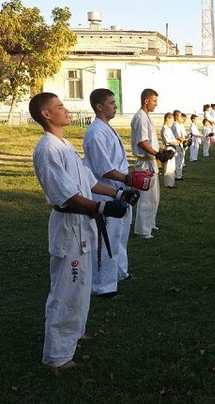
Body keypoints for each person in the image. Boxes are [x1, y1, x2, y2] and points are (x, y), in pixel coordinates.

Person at [30, 92, 134, 368]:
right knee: (66, 288)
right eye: (60, 107)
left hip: (83, 226)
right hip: (69, 227)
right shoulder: (48, 150)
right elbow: (66, 196)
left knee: (82, 284)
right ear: (46, 114)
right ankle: (58, 354)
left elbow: (88, 181)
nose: (66, 110)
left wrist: (118, 194)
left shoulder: (64, 145)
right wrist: (102, 208)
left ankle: (74, 332)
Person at [83, 89, 137, 299]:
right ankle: (102, 286)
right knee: (106, 240)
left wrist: (126, 182)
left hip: (118, 190)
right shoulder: (96, 133)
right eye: (112, 103)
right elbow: (103, 168)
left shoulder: (106, 128)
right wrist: (127, 179)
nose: (115, 106)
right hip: (104, 192)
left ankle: (120, 272)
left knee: (120, 236)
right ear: (99, 106)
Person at [131, 88, 168, 239]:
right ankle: (142, 230)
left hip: (151, 162)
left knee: (154, 197)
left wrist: (161, 151)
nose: (156, 104)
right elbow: (142, 142)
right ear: (146, 101)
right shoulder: (140, 117)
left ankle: (150, 223)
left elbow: (150, 141)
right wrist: (156, 154)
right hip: (144, 163)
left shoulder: (146, 116)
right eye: (154, 101)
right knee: (146, 198)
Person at [161, 112, 180, 188]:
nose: (172, 122)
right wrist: (177, 142)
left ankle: (171, 183)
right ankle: (168, 184)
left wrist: (177, 141)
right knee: (168, 167)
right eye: (171, 120)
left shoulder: (168, 128)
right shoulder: (164, 129)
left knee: (172, 167)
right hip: (169, 149)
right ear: (167, 119)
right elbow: (168, 141)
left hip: (173, 148)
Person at [171, 110, 188, 180]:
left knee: (180, 160)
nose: (181, 118)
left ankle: (179, 174)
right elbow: (178, 137)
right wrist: (185, 140)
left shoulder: (179, 125)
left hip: (180, 144)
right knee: (178, 160)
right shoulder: (175, 125)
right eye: (180, 116)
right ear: (176, 116)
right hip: (177, 144)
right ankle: (177, 176)